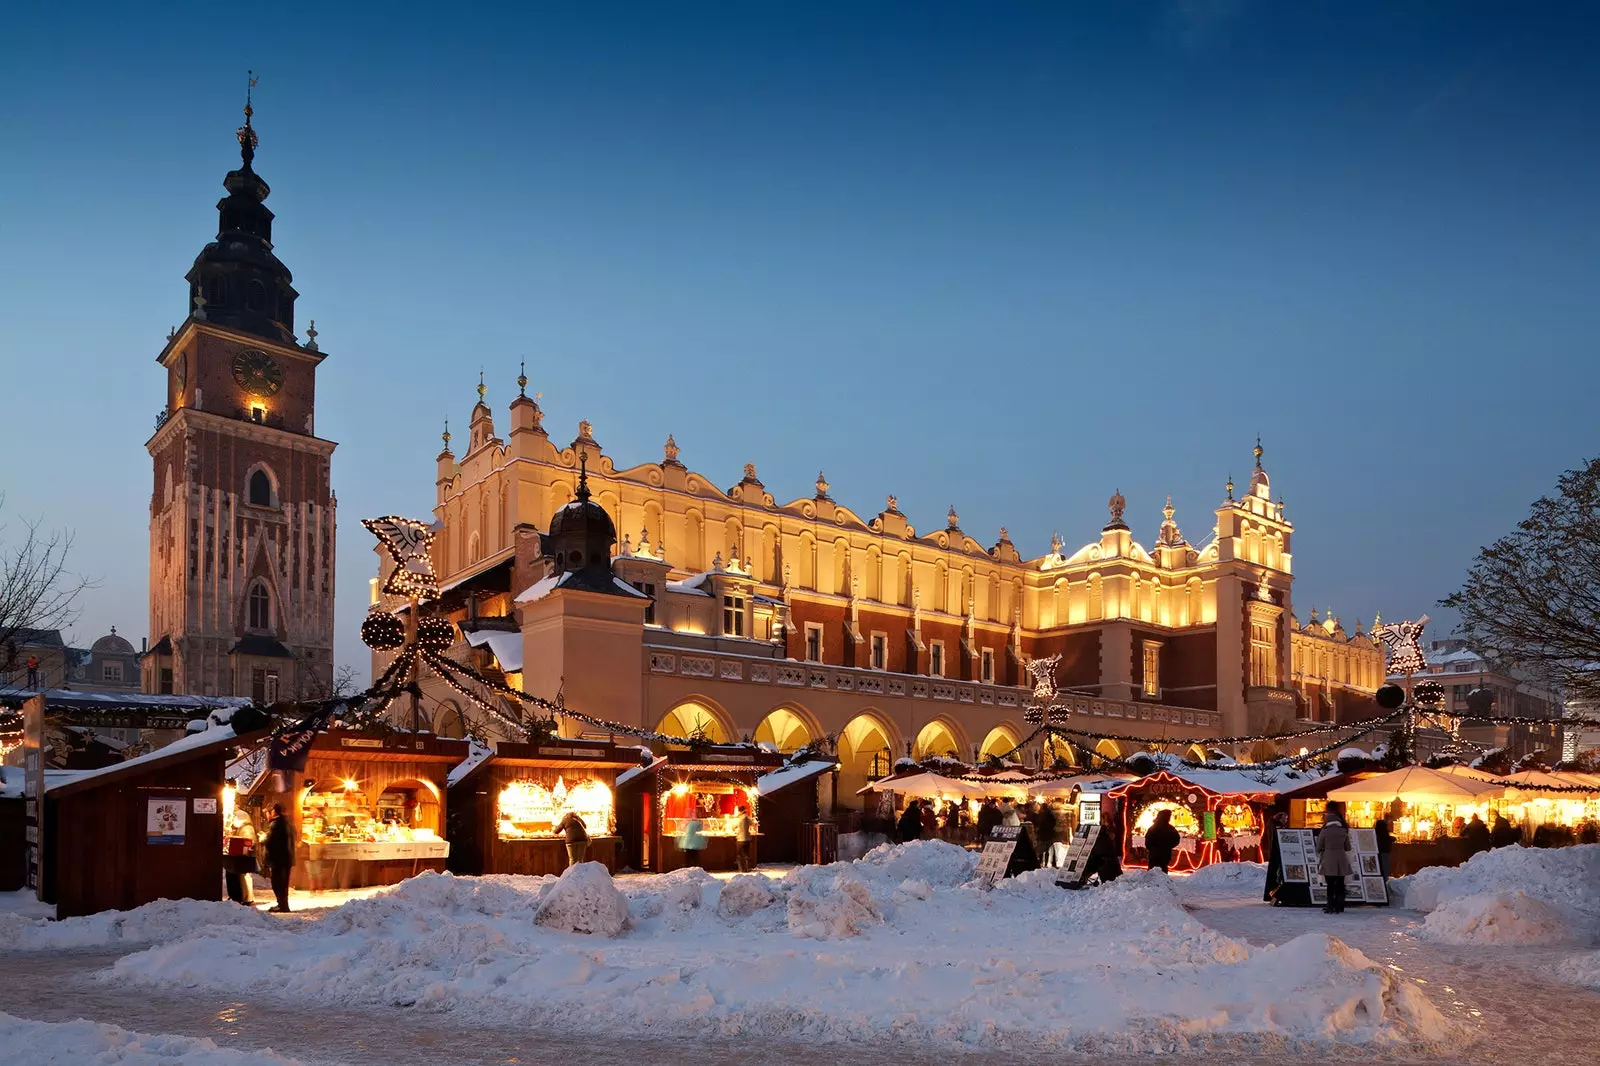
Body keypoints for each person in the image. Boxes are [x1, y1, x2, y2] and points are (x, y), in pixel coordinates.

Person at [1316, 804, 1354, 914]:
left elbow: (1318, 847)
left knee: (1330, 885)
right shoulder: (1343, 831)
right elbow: (1348, 847)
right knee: (1341, 884)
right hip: (1341, 859)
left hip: (1328, 859)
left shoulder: (1325, 831)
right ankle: (1340, 906)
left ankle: (1330, 906)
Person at [261, 803, 295, 913]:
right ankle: (283, 905)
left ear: (273, 812)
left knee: (278, 883)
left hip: (278, 859)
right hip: (286, 858)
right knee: (283, 883)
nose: (266, 814)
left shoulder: (276, 824)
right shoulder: (287, 822)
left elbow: (270, 841)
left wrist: (263, 838)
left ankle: (282, 906)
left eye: (267, 812)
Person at [1263, 812, 1291, 902]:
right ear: (1280, 818)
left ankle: (1272, 893)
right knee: (1275, 874)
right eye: (1285, 818)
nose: (1286, 820)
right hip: (1275, 852)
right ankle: (1273, 893)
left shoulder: (1273, 825)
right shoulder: (1276, 826)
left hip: (1274, 851)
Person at [732, 804, 754, 872]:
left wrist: (735, 830)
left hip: (740, 839)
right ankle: (747, 868)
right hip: (747, 839)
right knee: (746, 854)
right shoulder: (748, 818)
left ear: (740, 811)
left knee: (738, 854)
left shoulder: (739, 819)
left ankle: (740, 868)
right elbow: (753, 823)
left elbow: (733, 827)